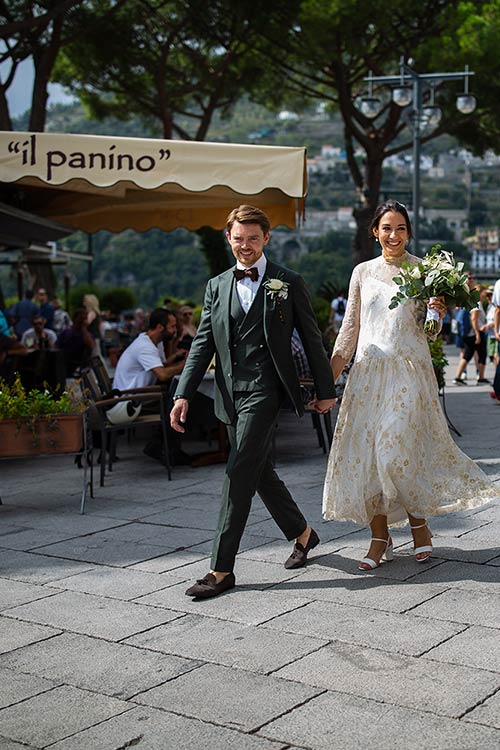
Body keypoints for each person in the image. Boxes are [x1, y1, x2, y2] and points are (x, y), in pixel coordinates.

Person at [322, 199, 499, 571]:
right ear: (375, 232)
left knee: (393, 449)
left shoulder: (425, 272)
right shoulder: (362, 273)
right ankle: (378, 536)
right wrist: (327, 383)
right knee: (370, 459)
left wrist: (437, 310)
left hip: (408, 374)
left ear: (409, 232)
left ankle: (418, 522)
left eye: (400, 228)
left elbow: (432, 334)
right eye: (387, 228)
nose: (394, 235)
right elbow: (349, 331)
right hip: (368, 376)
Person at [171, 204, 336, 599]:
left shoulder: (287, 282)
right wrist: (183, 393)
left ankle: (221, 569)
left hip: (266, 389)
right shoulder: (216, 285)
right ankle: (303, 533)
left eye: (253, 238)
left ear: (266, 239)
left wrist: (326, 390)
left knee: (239, 470)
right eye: (238, 238)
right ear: (228, 238)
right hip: (229, 392)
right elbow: (203, 343)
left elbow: (312, 338)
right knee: (258, 470)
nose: (245, 246)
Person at [453, 285, 490, 385]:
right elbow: (474, 319)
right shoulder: (477, 303)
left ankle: (458, 377)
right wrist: (478, 334)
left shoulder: (471, 301)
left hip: (469, 334)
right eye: (484, 293)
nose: (486, 295)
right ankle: (480, 378)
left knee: (467, 356)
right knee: (481, 355)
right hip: (475, 333)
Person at [57, 308, 95, 377]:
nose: (81, 320)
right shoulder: (66, 332)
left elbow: (91, 346)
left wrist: (84, 328)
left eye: (84, 318)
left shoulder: (87, 335)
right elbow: (56, 346)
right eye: (80, 318)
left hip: (80, 365)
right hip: (65, 363)